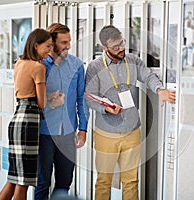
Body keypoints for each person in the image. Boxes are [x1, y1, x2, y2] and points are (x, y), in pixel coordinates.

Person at [85, 25, 176, 200]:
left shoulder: (133, 61)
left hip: (132, 130)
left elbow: (149, 76)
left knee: (131, 181)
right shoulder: (95, 67)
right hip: (106, 133)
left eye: (122, 43)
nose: (121, 49)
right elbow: (89, 97)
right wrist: (105, 108)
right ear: (104, 48)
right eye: (115, 47)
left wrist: (160, 90)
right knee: (104, 181)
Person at [0, 28, 53, 200]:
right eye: (48, 46)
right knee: (23, 181)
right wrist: (54, 98)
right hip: (29, 122)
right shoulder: (38, 67)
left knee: (13, 179)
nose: (50, 51)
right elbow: (41, 102)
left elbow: (27, 93)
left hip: (17, 119)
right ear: (36, 45)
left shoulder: (20, 62)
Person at [35, 23, 89, 200]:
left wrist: (83, 128)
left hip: (67, 133)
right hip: (44, 132)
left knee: (65, 182)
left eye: (69, 41)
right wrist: (49, 98)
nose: (68, 46)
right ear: (52, 42)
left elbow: (82, 99)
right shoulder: (38, 65)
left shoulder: (77, 65)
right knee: (42, 183)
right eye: (64, 42)